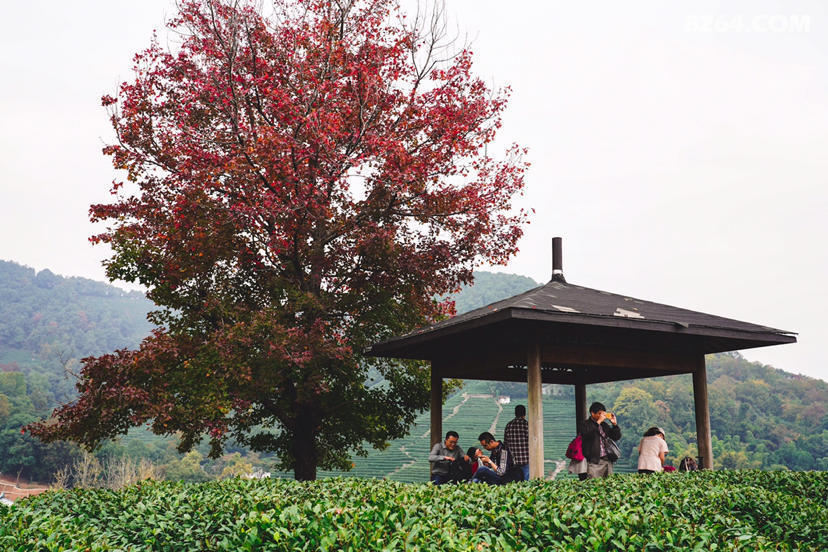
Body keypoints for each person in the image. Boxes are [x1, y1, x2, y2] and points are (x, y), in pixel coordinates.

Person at [578, 401, 622, 479]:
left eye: (603, 414)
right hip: (594, 461)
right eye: (600, 413)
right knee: (593, 482)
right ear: (592, 413)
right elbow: (588, 434)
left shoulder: (604, 425)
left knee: (608, 483)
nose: (602, 416)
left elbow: (616, 437)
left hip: (607, 460)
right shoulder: (585, 424)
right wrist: (598, 422)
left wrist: (615, 425)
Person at [503, 404, 530, 480]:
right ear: (524, 414)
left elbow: (505, 443)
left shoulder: (509, 425)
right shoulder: (527, 425)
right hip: (526, 460)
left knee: (516, 482)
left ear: (515, 413)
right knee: (526, 482)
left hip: (513, 461)